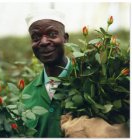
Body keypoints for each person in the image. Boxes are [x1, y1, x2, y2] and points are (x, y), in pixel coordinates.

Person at [22, 9, 129, 138]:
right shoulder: (27, 94)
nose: (44, 42)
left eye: (52, 34)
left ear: (65, 38)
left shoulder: (94, 80)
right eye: (36, 37)